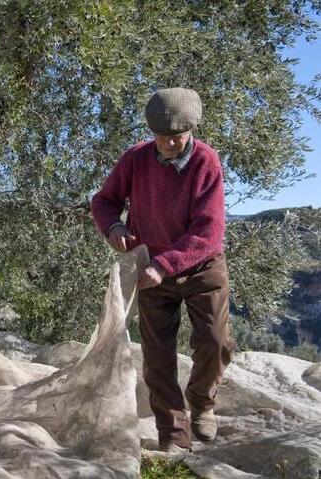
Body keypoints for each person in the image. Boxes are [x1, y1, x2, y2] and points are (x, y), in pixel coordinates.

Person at [91, 87, 234, 453]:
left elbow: (208, 231)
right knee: (157, 357)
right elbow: (104, 201)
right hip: (150, 267)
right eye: (162, 135)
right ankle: (173, 436)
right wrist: (114, 227)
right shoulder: (135, 159)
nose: (169, 142)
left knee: (215, 341)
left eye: (178, 135)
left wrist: (165, 264)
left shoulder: (206, 161)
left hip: (201, 266)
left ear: (192, 129)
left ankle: (202, 402)